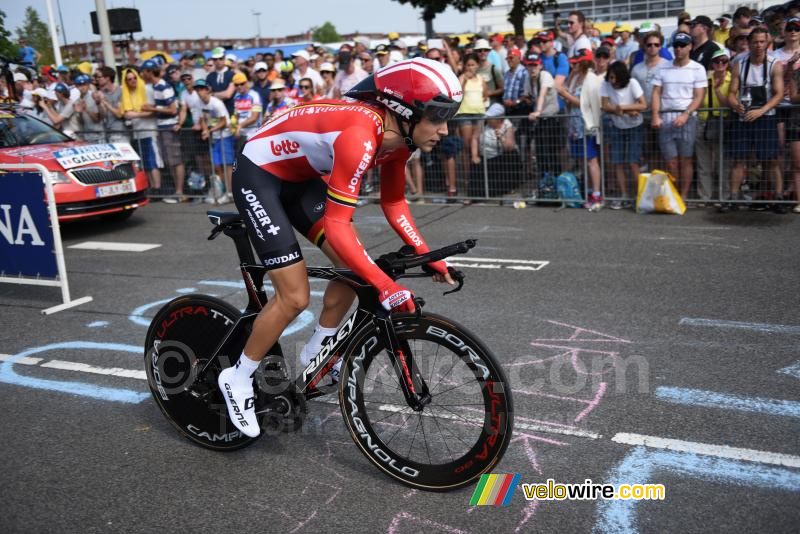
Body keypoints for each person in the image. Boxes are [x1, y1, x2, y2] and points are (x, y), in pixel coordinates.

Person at [216, 58, 460, 437]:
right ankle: (238, 376)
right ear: (403, 110)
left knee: (354, 268)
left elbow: (394, 204)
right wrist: (388, 288)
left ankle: (317, 349)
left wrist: (430, 256)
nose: (445, 129)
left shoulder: (400, 142)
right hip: (260, 176)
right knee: (294, 296)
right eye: (437, 116)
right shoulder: (361, 134)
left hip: (300, 180)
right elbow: (337, 225)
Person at [722, 28, 786, 213]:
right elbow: (732, 93)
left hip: (766, 117)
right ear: (749, 43)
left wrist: (761, 110)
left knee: (771, 160)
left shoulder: (775, 64)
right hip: (743, 117)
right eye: (755, 42)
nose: (758, 46)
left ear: (767, 43)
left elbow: (779, 93)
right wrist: (736, 105)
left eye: (761, 42)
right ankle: (733, 198)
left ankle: (779, 198)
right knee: (738, 159)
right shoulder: (739, 64)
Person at [651, 32, 707, 200]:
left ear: (690, 47)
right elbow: (655, 93)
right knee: (670, 162)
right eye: (676, 45)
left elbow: (699, 96)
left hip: (688, 120)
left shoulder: (698, 68)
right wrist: (655, 115)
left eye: (682, 45)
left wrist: (686, 115)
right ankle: (672, 194)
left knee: (686, 160)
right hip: (666, 119)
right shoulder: (662, 67)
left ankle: (682, 196)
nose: (678, 49)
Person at [558, 48, 603, 211]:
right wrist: (565, 94)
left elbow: (587, 104)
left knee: (591, 160)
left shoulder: (591, 78)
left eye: (577, 62)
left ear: (584, 62)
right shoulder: (575, 76)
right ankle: (589, 191)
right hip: (574, 124)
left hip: (587, 125)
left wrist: (565, 94)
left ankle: (597, 194)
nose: (573, 64)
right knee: (581, 160)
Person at [601, 61, 647, 209]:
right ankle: (624, 195)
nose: (612, 81)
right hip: (617, 126)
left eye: (614, 78)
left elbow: (643, 105)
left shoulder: (632, 83)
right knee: (617, 162)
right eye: (610, 78)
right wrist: (623, 110)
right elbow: (605, 105)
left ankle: (640, 196)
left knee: (633, 161)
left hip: (635, 126)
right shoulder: (605, 84)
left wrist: (624, 108)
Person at [141, 60, 186, 202]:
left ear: (149, 72)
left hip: (169, 127)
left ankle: (180, 192)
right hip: (162, 127)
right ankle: (177, 191)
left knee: (176, 160)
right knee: (170, 161)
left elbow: (173, 109)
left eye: (143, 71)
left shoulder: (163, 86)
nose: (142, 74)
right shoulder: (155, 86)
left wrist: (152, 108)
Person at [695, 49, 732, 204]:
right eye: (717, 61)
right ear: (712, 63)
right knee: (703, 163)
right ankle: (705, 196)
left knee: (722, 163)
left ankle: (724, 197)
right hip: (703, 122)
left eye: (724, 61)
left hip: (722, 122)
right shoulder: (704, 78)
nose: (720, 64)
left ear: (728, 63)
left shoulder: (732, 79)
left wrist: (717, 89)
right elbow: (699, 99)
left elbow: (729, 104)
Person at [121, 68, 161, 191]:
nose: (132, 80)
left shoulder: (147, 90)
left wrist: (136, 115)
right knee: (145, 163)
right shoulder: (126, 94)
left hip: (149, 130)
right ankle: (151, 186)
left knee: (153, 161)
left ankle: (158, 187)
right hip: (137, 133)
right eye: (129, 79)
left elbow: (155, 111)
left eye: (134, 78)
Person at [456, 52, 488, 199]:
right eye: (468, 65)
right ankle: (468, 178)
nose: (470, 68)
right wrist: (464, 80)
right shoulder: (461, 78)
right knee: (467, 147)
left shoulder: (482, 79)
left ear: (477, 65)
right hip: (465, 115)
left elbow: (486, 95)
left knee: (479, 145)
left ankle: (479, 177)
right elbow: (457, 94)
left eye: (473, 65)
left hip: (479, 114)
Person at [232, 71, 263, 153]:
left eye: (241, 84)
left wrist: (239, 126)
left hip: (254, 132)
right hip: (241, 134)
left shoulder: (255, 95)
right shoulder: (236, 96)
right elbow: (237, 115)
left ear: (246, 83)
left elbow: (254, 117)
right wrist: (233, 125)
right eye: (236, 85)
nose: (239, 86)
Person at [72, 74, 104, 142]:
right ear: (76, 86)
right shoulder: (77, 101)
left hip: (98, 136)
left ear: (88, 85)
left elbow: (97, 119)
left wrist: (86, 109)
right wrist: (80, 113)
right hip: (87, 136)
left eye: (84, 84)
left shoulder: (93, 96)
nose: (82, 87)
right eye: (80, 85)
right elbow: (81, 123)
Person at [206, 47, 235, 114]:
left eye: (220, 58)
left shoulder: (232, 74)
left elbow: (228, 94)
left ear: (224, 58)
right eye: (215, 59)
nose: (218, 61)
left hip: (231, 111)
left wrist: (213, 94)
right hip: (216, 113)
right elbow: (207, 96)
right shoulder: (209, 77)